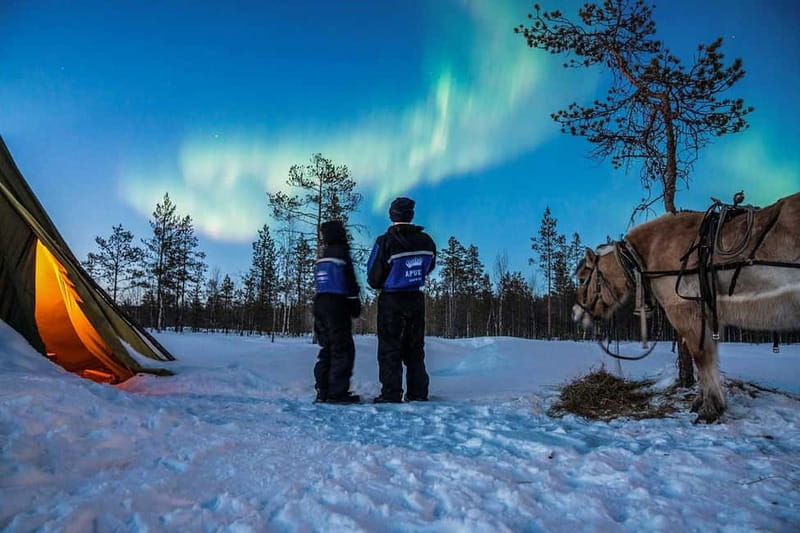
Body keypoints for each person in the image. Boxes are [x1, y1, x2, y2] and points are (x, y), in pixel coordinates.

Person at [367, 197, 437, 403]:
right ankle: (418, 392)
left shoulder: (385, 242)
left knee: (390, 346)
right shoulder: (427, 241)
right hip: (415, 297)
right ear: (411, 215)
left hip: (392, 298)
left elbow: (373, 275)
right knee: (415, 347)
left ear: (392, 215)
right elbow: (430, 265)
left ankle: (391, 393)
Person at [313, 220, 361, 404]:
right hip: (337, 304)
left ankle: (323, 390)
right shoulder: (342, 253)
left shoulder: (323, 256)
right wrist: (354, 302)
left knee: (327, 348)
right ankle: (337, 393)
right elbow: (349, 279)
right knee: (343, 349)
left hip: (320, 303)